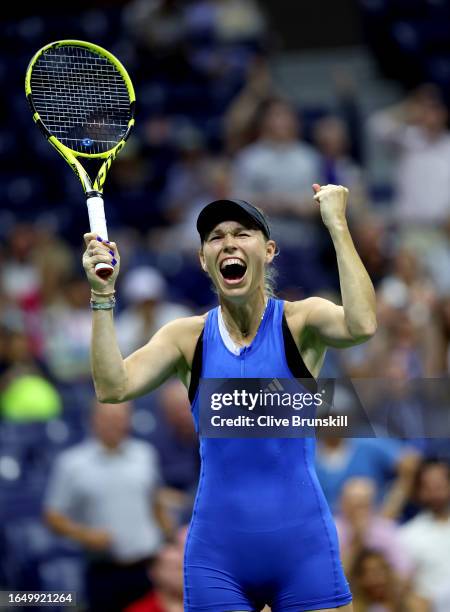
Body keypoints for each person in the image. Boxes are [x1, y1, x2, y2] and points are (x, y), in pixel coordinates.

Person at [83, 183, 377, 611]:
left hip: (304, 550)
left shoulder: (300, 322)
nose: (228, 243)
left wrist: (336, 225)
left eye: (242, 233)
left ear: (270, 250)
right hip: (216, 559)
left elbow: (362, 325)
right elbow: (113, 387)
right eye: (215, 237)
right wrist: (102, 296)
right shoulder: (187, 337)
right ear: (204, 260)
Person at [44, 400, 171, 612]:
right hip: (104, 570)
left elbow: (154, 499)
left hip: (148, 566)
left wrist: (168, 533)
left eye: (120, 418)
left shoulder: (145, 454)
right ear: (93, 420)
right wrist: (85, 535)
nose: (115, 424)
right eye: (108, 418)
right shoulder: (72, 463)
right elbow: (53, 516)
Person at [399, 459, 450, 612]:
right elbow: (404, 588)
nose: (435, 493)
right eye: (428, 487)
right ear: (418, 491)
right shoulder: (407, 535)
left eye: (440, 486)